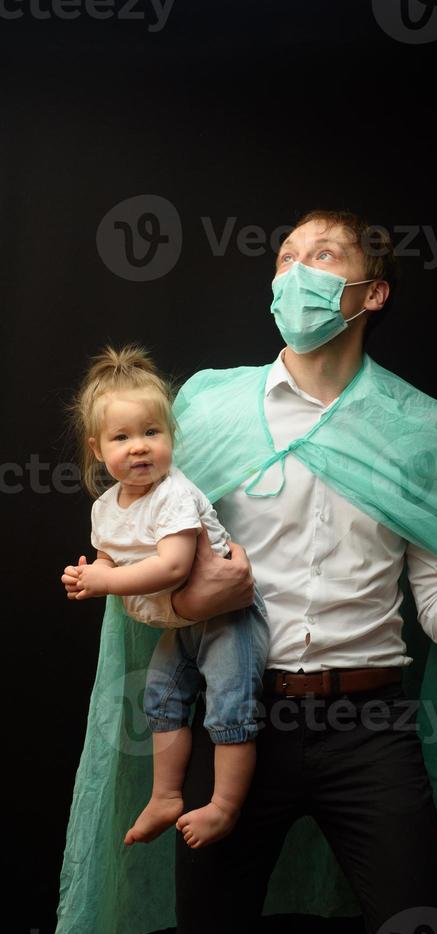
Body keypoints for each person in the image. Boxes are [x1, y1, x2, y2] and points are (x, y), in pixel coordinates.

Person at [57, 210, 437, 934]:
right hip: (236, 715)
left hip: (370, 730)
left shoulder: (425, 437)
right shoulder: (205, 413)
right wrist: (184, 607)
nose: (295, 272)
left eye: (322, 255)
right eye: (285, 258)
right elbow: (135, 559)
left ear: (372, 293)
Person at [61, 345, 269, 849]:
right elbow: (112, 557)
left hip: (228, 618)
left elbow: (173, 566)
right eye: (122, 437)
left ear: (170, 437)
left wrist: (107, 583)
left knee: (229, 708)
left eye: (151, 433)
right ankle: (165, 795)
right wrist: (94, 572)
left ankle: (224, 806)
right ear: (97, 450)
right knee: (160, 697)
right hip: (180, 623)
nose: (139, 447)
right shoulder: (106, 508)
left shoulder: (173, 493)